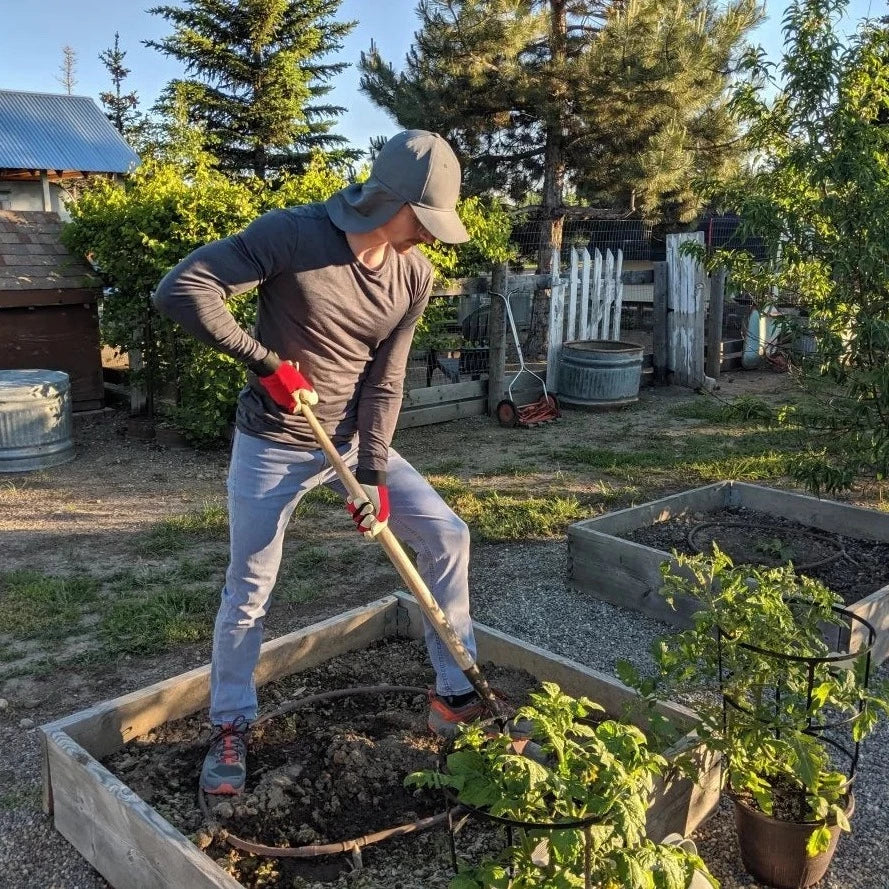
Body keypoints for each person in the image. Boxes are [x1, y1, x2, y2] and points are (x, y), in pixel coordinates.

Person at [153, 130, 488, 796]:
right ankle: (230, 723)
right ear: (387, 200)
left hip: (351, 439)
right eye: (422, 220)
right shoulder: (293, 235)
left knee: (447, 533)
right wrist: (266, 364)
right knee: (249, 588)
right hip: (274, 440)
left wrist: (371, 474)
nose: (429, 236)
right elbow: (181, 289)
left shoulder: (413, 273)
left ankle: (455, 692)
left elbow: (386, 381)